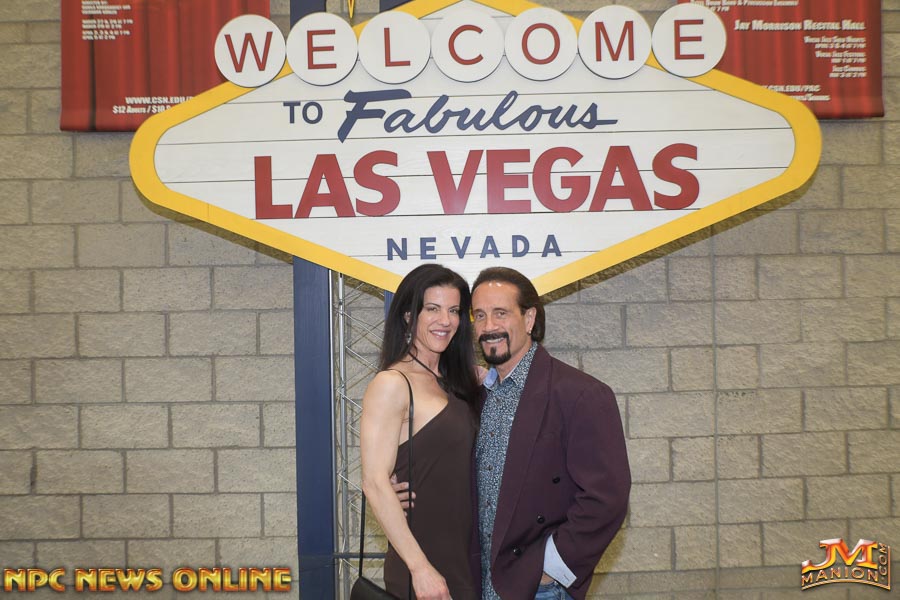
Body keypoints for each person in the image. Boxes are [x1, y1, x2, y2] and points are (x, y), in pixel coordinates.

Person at [469, 267, 630, 600]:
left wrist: (552, 569)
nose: (488, 326)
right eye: (480, 315)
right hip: (479, 582)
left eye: (501, 313)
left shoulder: (580, 394)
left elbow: (607, 497)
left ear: (529, 319)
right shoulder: (477, 395)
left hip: (538, 588)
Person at [360, 264, 480, 600]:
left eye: (454, 311)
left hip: (464, 554)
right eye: (433, 309)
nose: (445, 320)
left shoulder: (457, 381)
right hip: (424, 560)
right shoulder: (392, 384)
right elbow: (374, 482)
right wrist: (420, 568)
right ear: (409, 316)